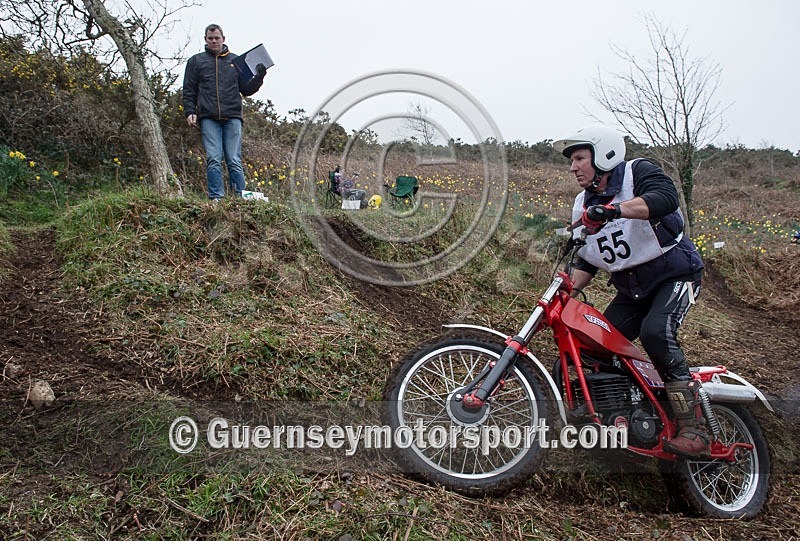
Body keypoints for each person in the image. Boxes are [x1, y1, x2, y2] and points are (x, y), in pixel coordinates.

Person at [553, 125, 708, 458]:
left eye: (580, 158)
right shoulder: (582, 203)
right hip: (632, 291)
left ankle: (694, 427)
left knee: (656, 332)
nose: (573, 167)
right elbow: (589, 259)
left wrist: (613, 210)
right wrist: (563, 290)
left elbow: (665, 199)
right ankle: (623, 418)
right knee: (594, 346)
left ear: (604, 154)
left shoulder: (639, 173)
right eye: (572, 161)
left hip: (675, 274)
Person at [182, 24, 267, 201]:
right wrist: (190, 111)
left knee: (234, 160)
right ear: (205, 39)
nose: (214, 41)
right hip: (208, 117)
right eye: (210, 38)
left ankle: (241, 198)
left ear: (223, 39)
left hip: (233, 117)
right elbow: (189, 90)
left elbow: (246, 90)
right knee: (213, 158)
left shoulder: (236, 62)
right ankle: (216, 198)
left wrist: (259, 77)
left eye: (217, 38)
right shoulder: (196, 62)